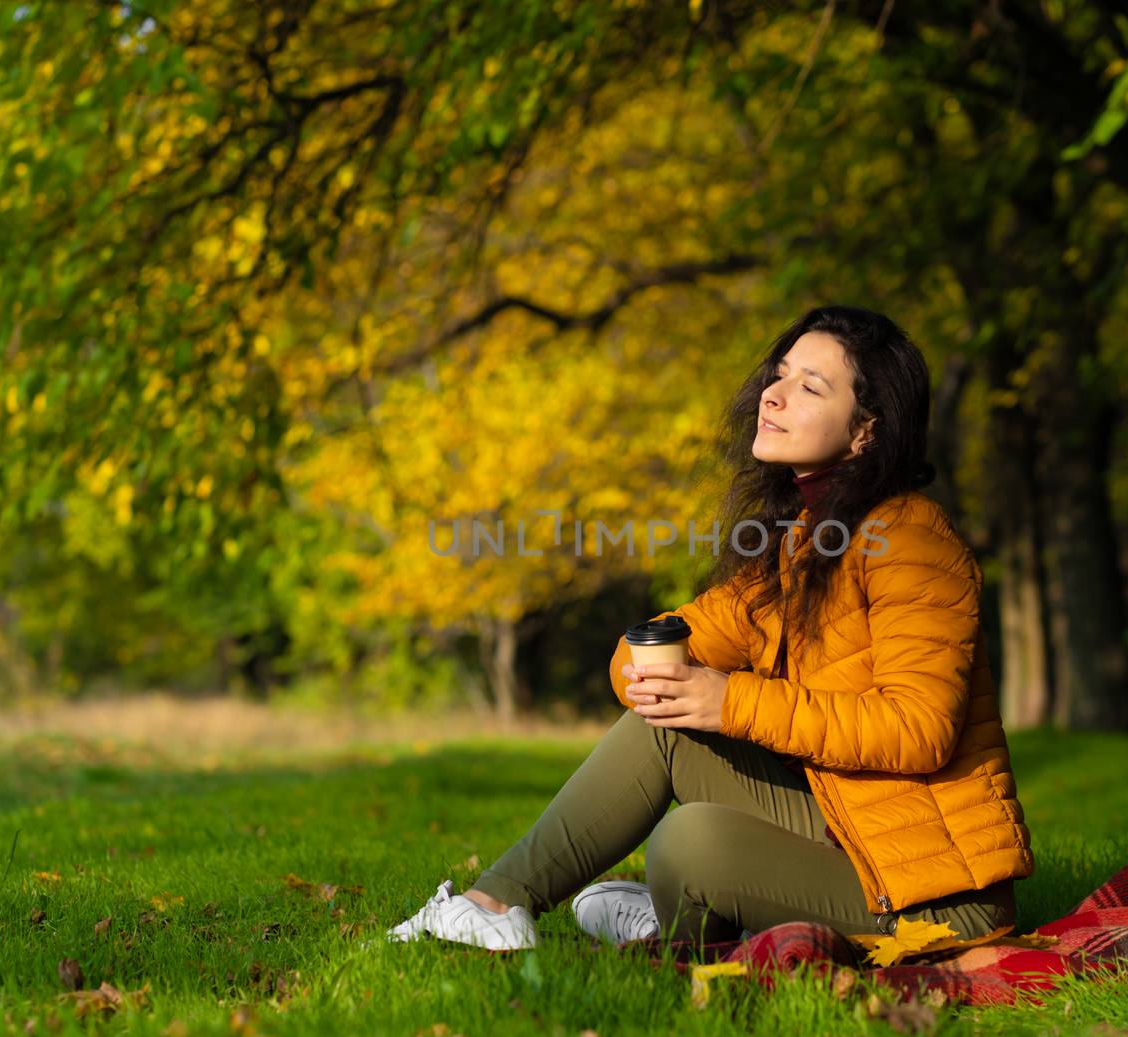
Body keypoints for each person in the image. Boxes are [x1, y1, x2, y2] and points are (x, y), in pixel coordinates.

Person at [386, 305, 1035, 950]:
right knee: (664, 723)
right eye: (778, 376)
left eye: (809, 386)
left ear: (866, 431)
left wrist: (730, 701)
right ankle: (494, 903)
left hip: (936, 892)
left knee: (687, 840)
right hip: (848, 828)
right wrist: (652, 669)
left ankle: (671, 917)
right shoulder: (800, 546)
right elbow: (664, 640)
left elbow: (918, 729)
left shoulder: (910, 537)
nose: (772, 396)